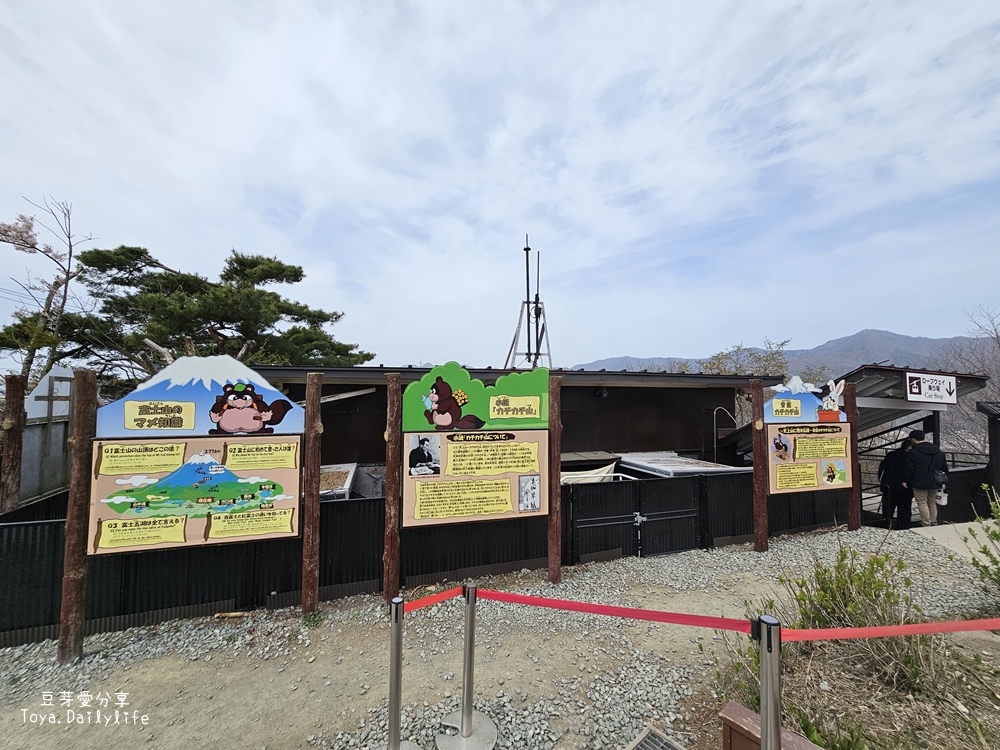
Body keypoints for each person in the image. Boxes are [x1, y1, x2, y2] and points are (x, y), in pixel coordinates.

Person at [903, 430, 947, 527]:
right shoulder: (938, 452)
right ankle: (933, 522)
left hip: (919, 481)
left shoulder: (913, 452)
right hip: (935, 481)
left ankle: (926, 523)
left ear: (913, 439)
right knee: (932, 502)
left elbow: (909, 468)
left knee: (922, 502)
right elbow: (944, 468)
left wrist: (905, 480)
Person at [878, 438, 913, 530]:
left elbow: (882, 469)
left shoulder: (891, 455)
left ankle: (886, 526)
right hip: (905, 487)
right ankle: (903, 526)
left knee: (888, 508)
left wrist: (881, 482)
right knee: (904, 508)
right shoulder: (910, 456)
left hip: (889, 485)